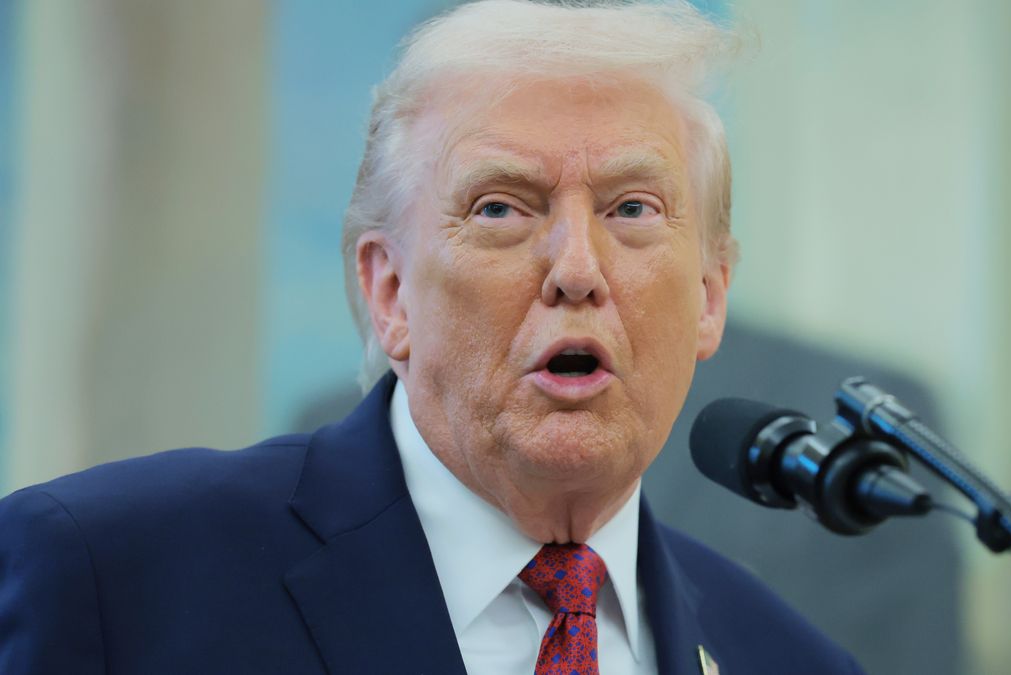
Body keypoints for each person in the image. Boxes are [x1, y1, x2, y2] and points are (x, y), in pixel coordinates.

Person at [0, 2, 866, 673]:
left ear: (710, 295)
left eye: (631, 209)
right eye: (500, 207)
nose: (577, 267)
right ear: (389, 292)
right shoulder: (110, 576)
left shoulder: (784, 656)